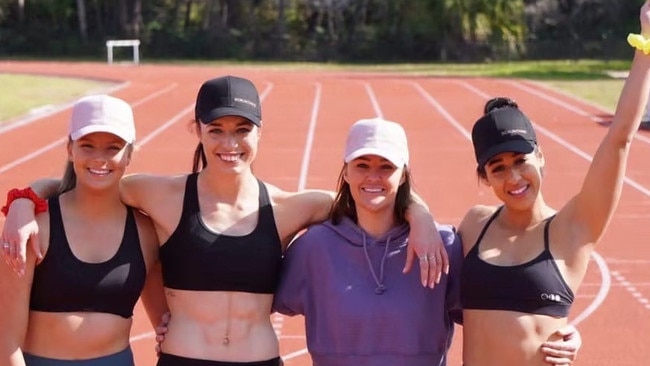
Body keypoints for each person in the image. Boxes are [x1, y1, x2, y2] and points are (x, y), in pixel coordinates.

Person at [1, 75, 447, 365]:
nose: (229, 143)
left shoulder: (291, 206)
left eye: (241, 130)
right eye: (216, 130)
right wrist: (24, 199)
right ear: (197, 130)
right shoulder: (162, 194)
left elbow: (371, 191)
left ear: (259, 132)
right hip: (183, 359)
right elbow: (91, 178)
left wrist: (420, 213)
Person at [270, 118, 581, 366]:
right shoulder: (315, 248)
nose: (373, 177)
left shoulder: (442, 246)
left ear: (404, 174)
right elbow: (252, 305)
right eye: (362, 165)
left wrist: (557, 330)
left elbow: (495, 310)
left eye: (386, 167)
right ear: (346, 172)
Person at [459, 4, 650, 364]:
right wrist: (420, 216)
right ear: (484, 176)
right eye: (497, 168)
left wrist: (646, 44)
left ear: (540, 156)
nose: (513, 177)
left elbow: (619, 138)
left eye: (521, 161)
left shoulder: (573, 228)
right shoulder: (473, 225)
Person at [0, 95, 166, 366]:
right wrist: (23, 200)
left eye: (112, 147)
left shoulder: (146, 232)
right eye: (87, 146)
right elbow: (5, 343)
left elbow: (168, 323)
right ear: (70, 149)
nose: (99, 159)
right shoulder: (32, 227)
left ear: (130, 154)